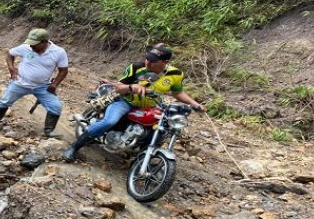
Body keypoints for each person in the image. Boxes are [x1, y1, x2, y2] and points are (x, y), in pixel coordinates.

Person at [63, 43, 207, 162]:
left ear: (165, 62)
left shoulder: (176, 74)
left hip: (150, 106)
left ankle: (138, 154)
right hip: (125, 101)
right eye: (147, 58)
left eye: (153, 61)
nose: (148, 62)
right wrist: (132, 87)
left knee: (161, 129)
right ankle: (74, 147)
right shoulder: (136, 67)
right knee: (109, 121)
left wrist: (195, 104)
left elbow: (178, 93)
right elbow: (118, 88)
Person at [0, 28, 69, 137]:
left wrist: (55, 84)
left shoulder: (58, 52)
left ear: (44, 42)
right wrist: (11, 68)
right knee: (4, 101)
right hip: (20, 83)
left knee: (56, 106)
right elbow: (10, 54)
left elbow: (63, 70)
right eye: (30, 44)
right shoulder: (26, 48)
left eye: (34, 44)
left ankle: (49, 130)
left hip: (42, 86)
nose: (31, 46)